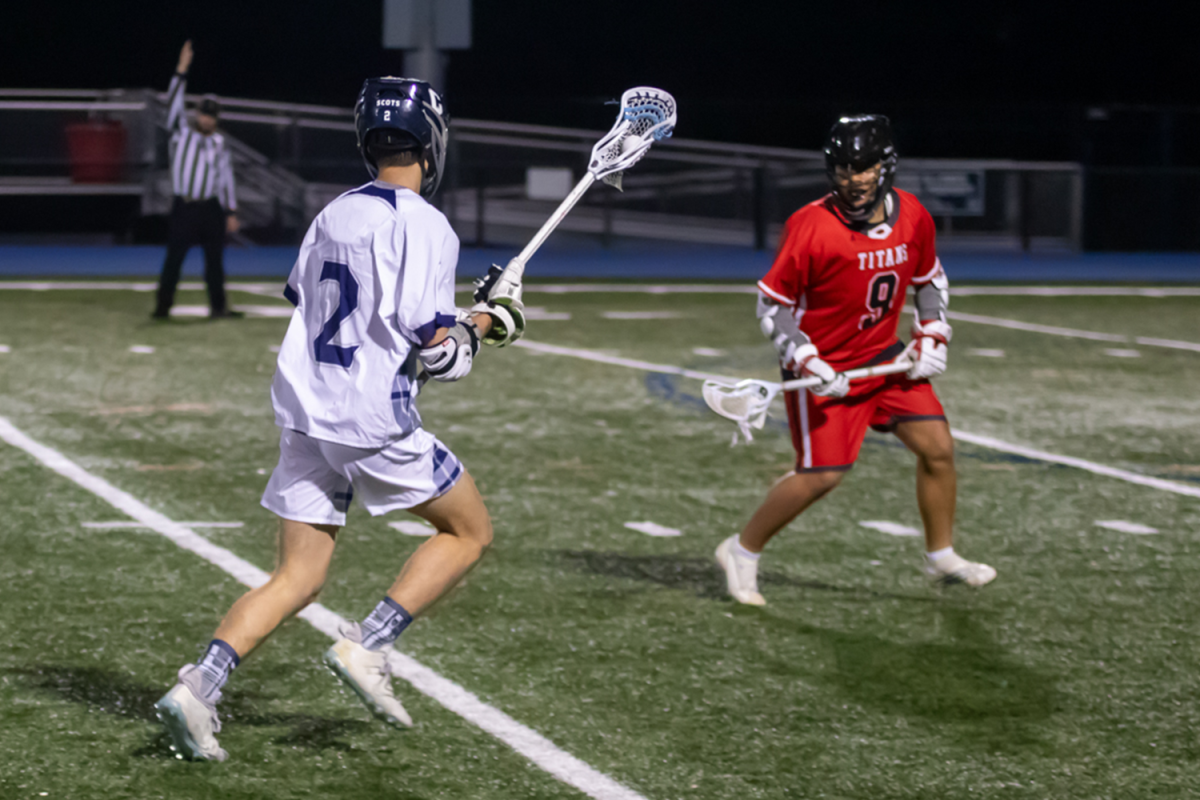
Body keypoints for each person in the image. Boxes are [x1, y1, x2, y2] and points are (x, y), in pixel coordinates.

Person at [153, 77, 526, 761]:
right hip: (369, 422)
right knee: (469, 531)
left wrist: (474, 317)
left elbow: (327, 305)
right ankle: (369, 643)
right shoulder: (425, 224)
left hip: (305, 414)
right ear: (432, 141)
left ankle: (198, 687)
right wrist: (489, 325)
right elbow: (437, 354)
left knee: (298, 577)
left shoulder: (335, 210)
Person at [715, 115, 996, 606]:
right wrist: (807, 359)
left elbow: (929, 279)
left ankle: (940, 555)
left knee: (938, 448)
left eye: (864, 167)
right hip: (825, 367)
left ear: (885, 165)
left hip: (884, 359)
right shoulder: (810, 225)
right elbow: (772, 305)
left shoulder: (912, 215)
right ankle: (742, 550)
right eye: (844, 168)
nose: (854, 178)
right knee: (822, 474)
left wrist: (932, 335)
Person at [152, 40, 242, 320]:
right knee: (174, 259)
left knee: (215, 262)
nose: (207, 119)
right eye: (204, 113)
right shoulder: (181, 134)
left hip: (210, 208)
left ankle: (219, 308)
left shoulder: (219, 143)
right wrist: (181, 70)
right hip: (186, 207)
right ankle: (162, 308)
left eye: (211, 115)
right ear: (197, 114)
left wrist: (230, 210)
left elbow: (225, 177)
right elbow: (173, 105)